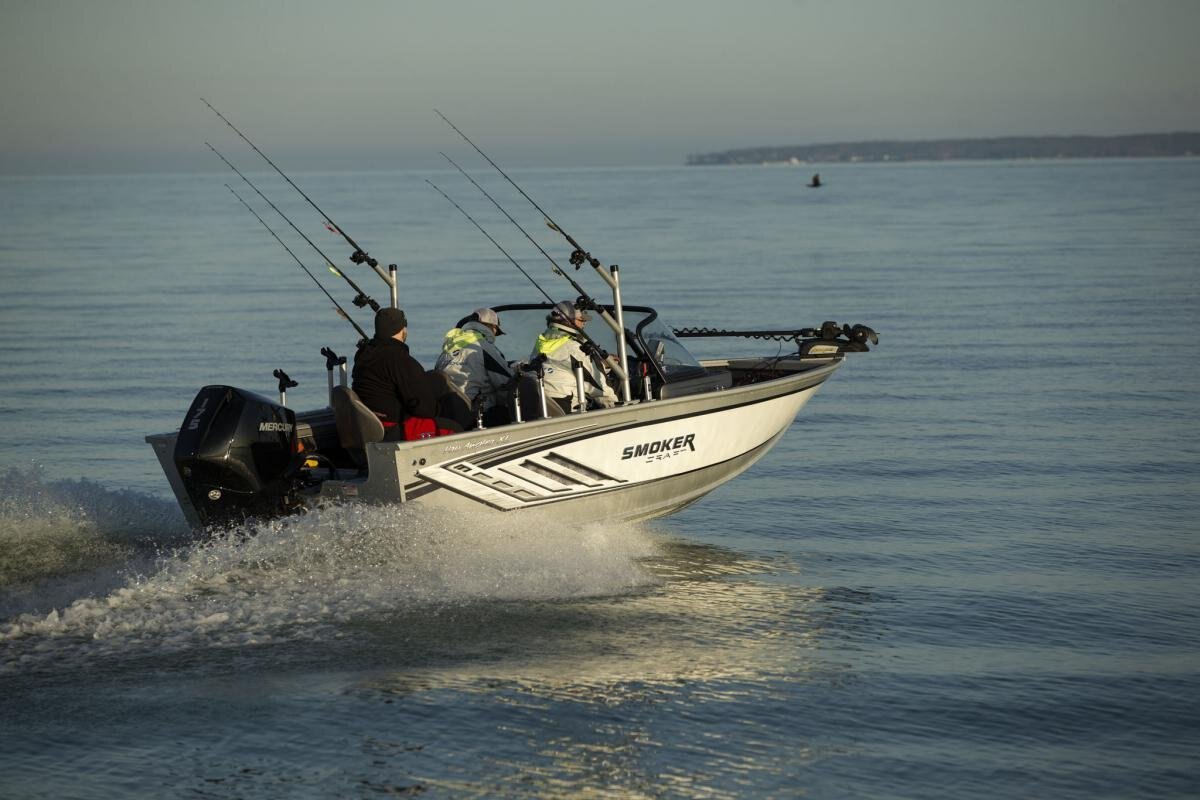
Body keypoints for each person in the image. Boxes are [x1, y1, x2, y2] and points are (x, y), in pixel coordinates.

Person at [352, 307, 462, 441]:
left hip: (368, 425)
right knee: (455, 427)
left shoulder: (363, 356)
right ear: (402, 329)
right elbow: (425, 410)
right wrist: (440, 408)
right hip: (395, 429)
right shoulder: (400, 360)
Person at [529, 301, 618, 414]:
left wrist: (602, 365)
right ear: (568, 321)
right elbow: (599, 388)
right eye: (581, 320)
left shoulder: (542, 342)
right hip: (569, 412)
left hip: (542, 405)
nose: (584, 323)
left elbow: (560, 366)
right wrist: (617, 407)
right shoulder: (575, 347)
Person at [434, 307, 514, 426]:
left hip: (446, 412)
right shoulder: (484, 347)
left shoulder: (449, 348)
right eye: (496, 332)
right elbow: (507, 383)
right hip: (473, 413)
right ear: (493, 327)